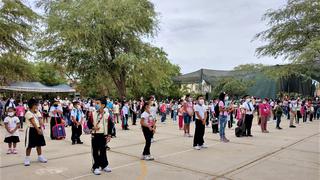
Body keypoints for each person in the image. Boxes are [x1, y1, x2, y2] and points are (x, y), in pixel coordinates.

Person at [91, 98, 112, 175]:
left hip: (103, 135)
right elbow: (88, 124)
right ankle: (96, 167)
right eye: (96, 103)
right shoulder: (93, 113)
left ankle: (104, 165)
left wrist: (109, 135)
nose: (95, 105)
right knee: (95, 151)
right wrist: (93, 128)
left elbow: (110, 125)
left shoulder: (107, 114)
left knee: (103, 151)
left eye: (97, 103)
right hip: (95, 135)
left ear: (103, 105)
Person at [24, 98, 47, 166]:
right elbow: (33, 122)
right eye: (36, 104)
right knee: (29, 145)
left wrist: (41, 126)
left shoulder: (37, 112)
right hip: (31, 129)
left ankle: (40, 156)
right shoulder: (28, 113)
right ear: (33, 105)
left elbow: (40, 119)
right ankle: (27, 158)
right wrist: (38, 129)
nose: (37, 106)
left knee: (39, 144)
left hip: (38, 128)